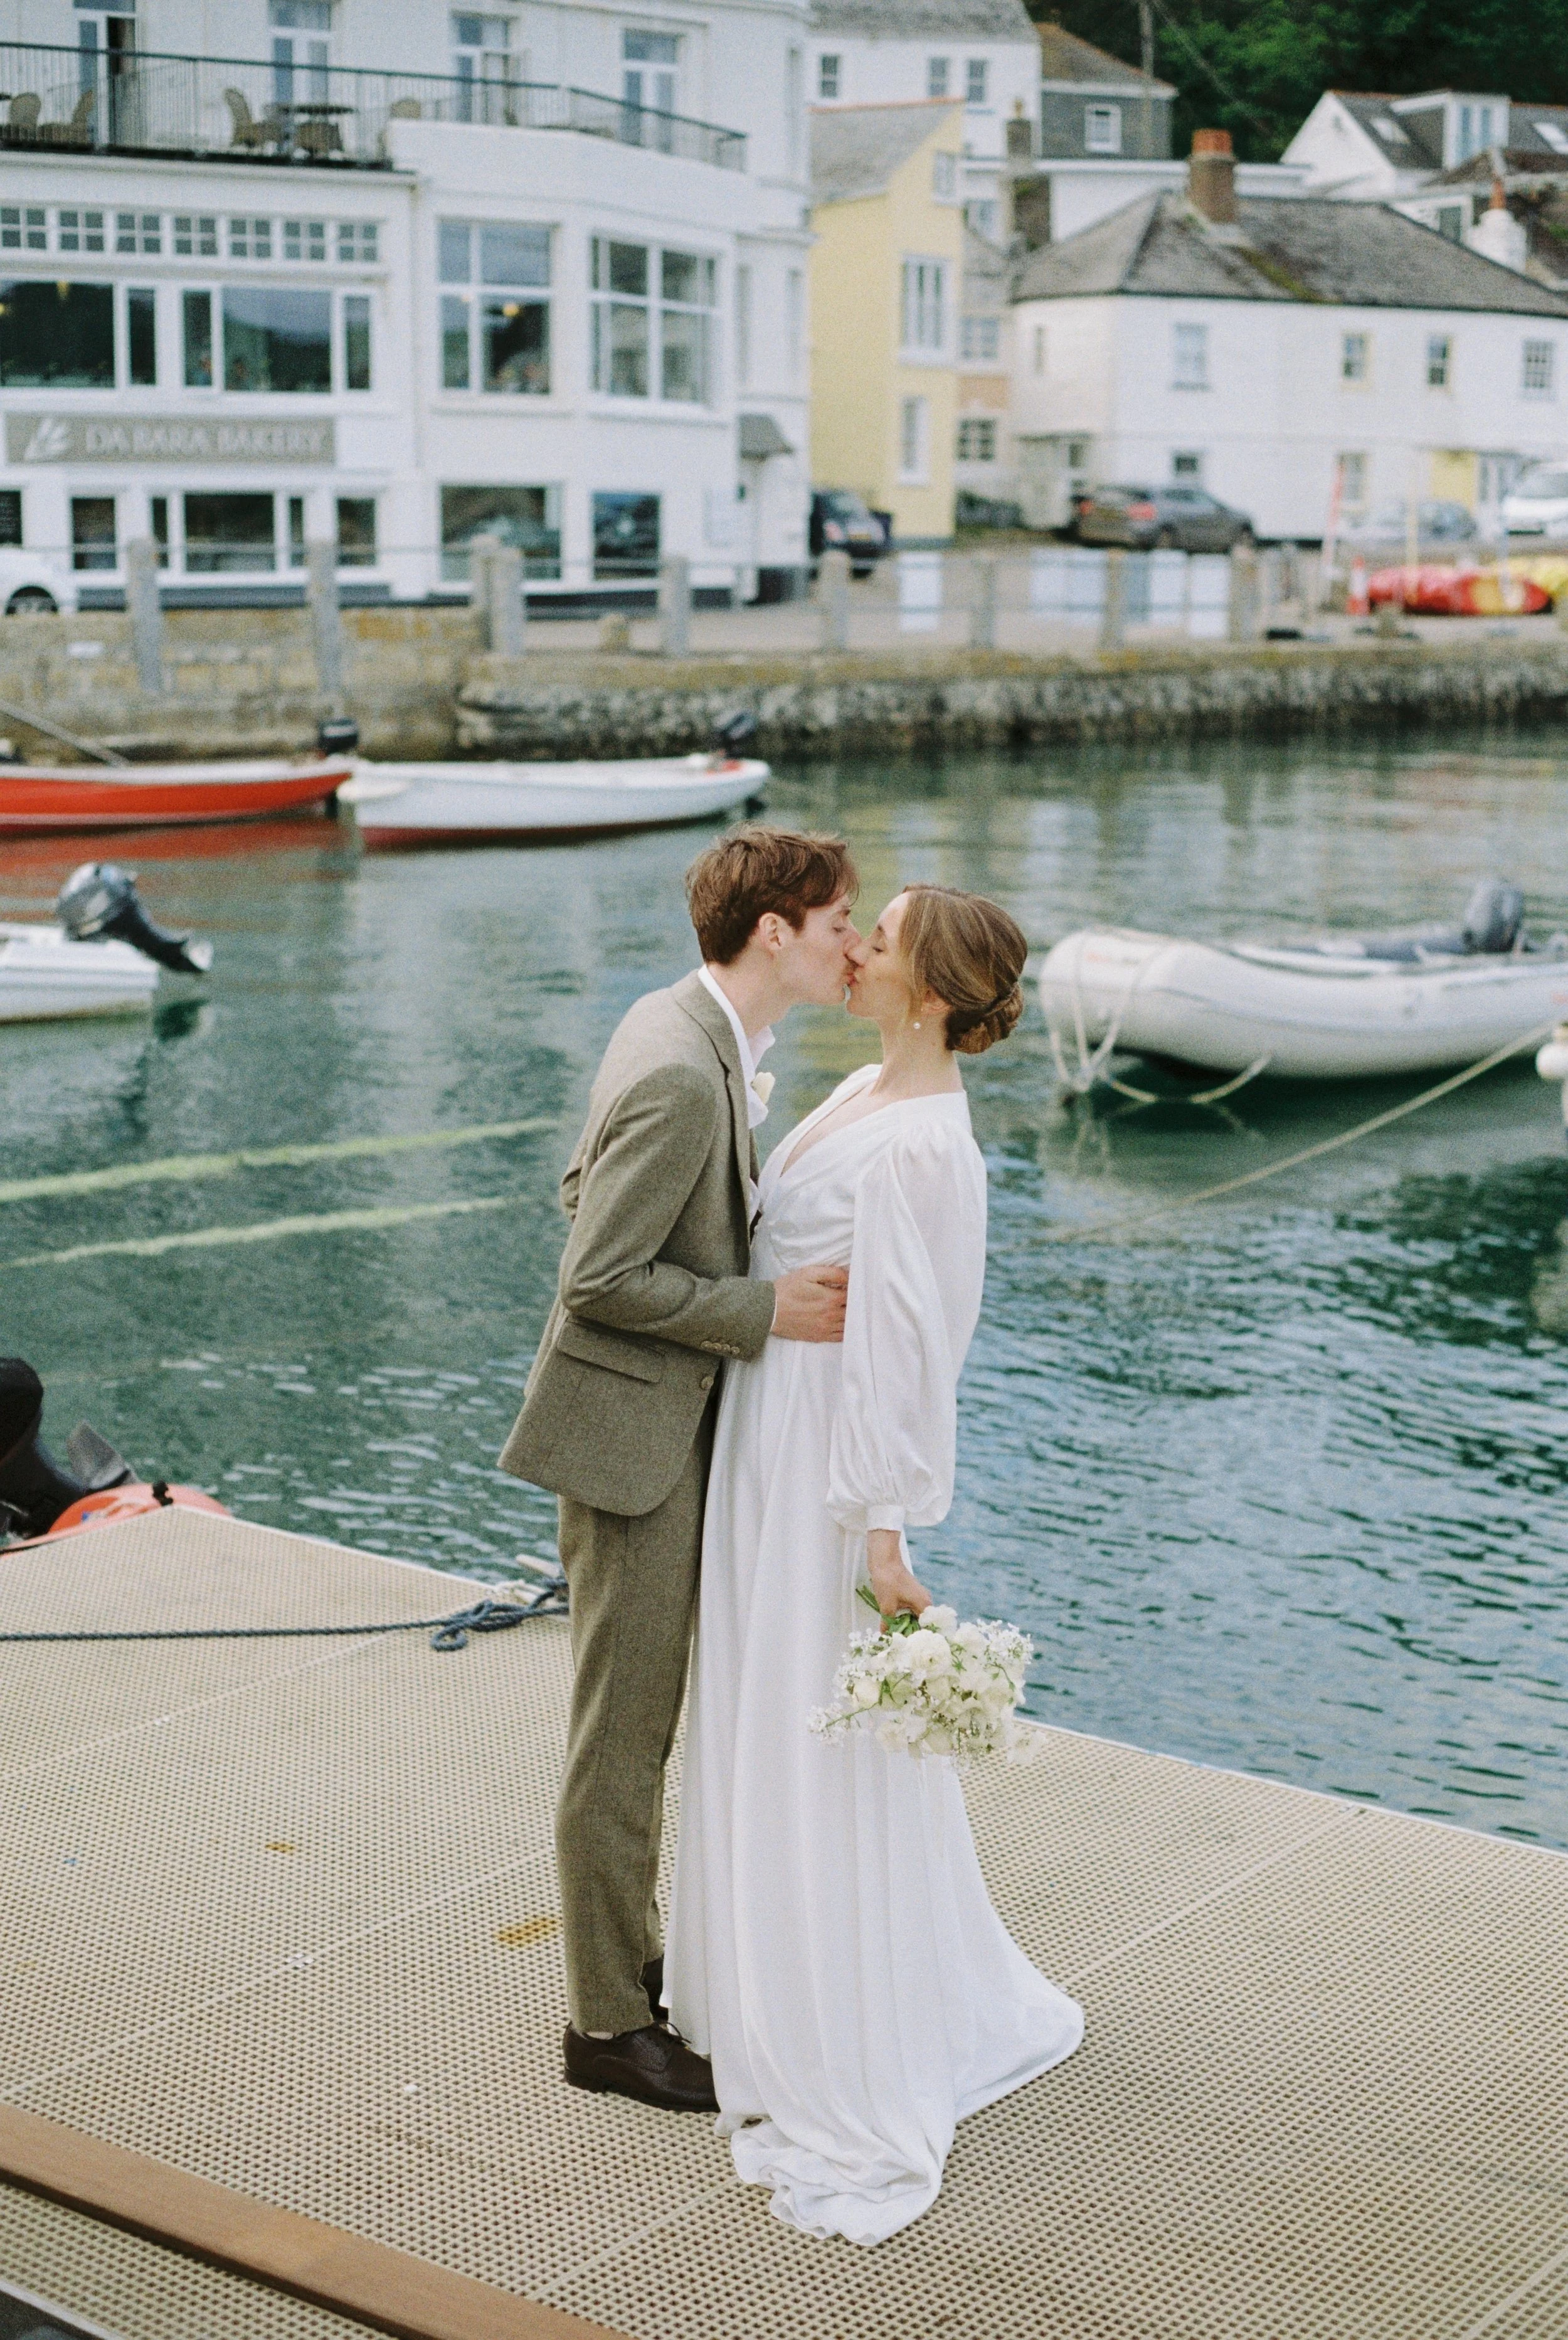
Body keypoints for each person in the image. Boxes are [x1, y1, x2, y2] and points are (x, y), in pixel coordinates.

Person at [666, 882, 1084, 2243]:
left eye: (880, 938)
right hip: (768, 1431)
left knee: (810, 1721)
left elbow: (916, 1347)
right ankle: (753, 1978)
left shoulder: (922, 1148)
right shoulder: (859, 1098)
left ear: (929, 992)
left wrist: (888, 1529)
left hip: (825, 1468)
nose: (853, 946)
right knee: (759, 1701)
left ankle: (833, 2017)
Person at [499, 826, 859, 2114]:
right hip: (630, 1451)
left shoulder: (684, 1027)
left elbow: (579, 1186)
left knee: (636, 1725)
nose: (853, 945)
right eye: (835, 924)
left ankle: (626, 1959)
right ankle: (604, 2023)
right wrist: (763, 1310)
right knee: (623, 1736)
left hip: (652, 1429)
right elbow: (594, 1272)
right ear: (773, 929)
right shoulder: (680, 1068)